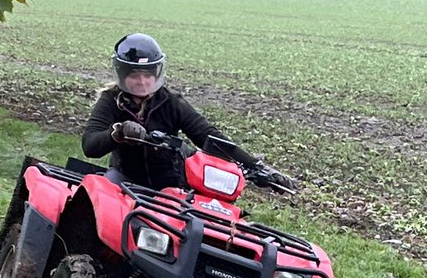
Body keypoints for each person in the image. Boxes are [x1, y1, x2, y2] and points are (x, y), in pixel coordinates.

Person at [82, 33, 295, 193]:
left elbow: (209, 136)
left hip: (171, 185)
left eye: (148, 75)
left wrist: (258, 167)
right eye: (136, 75)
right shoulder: (111, 100)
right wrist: (117, 133)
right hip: (124, 178)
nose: (143, 82)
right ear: (122, 73)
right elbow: (90, 145)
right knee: (98, 197)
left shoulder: (170, 102)